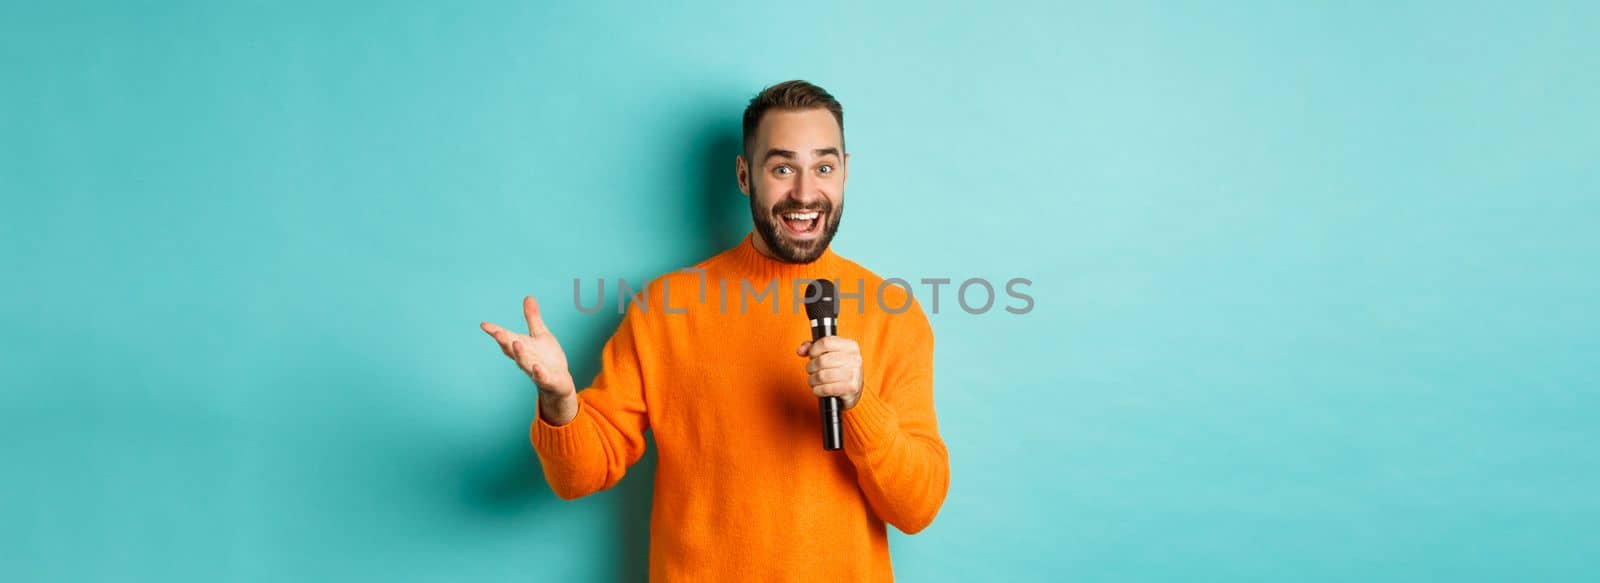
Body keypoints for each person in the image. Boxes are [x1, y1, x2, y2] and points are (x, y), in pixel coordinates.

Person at [479, 80, 949, 581]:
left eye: (824, 167)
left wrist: (860, 405)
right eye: (783, 167)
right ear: (746, 176)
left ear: (846, 173)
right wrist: (559, 400)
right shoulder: (666, 307)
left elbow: (916, 509)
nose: (805, 192)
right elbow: (579, 476)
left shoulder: (892, 313)